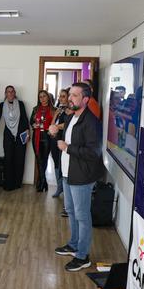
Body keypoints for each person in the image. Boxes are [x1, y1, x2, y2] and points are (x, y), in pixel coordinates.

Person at [51, 82, 105, 271]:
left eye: (75, 95)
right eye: (70, 94)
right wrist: (55, 134)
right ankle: (73, 245)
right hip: (68, 173)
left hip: (82, 175)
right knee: (71, 211)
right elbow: (67, 141)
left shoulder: (91, 122)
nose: (70, 98)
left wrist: (68, 148)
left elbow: (93, 152)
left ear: (85, 99)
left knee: (82, 216)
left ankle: (82, 256)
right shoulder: (71, 117)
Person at [0, 86, 29, 191]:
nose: (11, 93)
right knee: (8, 159)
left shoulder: (20, 104)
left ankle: (17, 183)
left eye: (12, 92)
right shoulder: (2, 105)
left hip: (21, 134)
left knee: (20, 159)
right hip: (8, 134)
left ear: (15, 93)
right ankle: (9, 183)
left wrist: (27, 132)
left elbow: (24, 118)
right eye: (8, 92)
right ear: (5, 93)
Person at [30, 90, 56, 192]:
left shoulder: (54, 109)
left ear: (48, 97)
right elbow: (31, 121)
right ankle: (43, 182)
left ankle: (41, 183)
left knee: (44, 160)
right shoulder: (35, 109)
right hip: (36, 136)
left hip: (47, 136)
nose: (42, 99)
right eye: (40, 97)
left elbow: (55, 124)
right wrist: (33, 125)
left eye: (44, 96)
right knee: (38, 159)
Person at [50, 88, 72, 200]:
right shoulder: (59, 109)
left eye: (63, 96)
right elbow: (52, 124)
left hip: (63, 141)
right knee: (56, 163)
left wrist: (56, 127)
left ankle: (65, 189)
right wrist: (55, 115)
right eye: (60, 96)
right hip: (55, 139)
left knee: (63, 164)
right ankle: (59, 187)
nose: (61, 98)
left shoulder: (70, 110)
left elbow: (67, 124)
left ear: (68, 97)